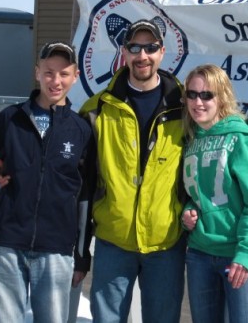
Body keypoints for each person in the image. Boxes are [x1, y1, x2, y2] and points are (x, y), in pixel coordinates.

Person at [79, 19, 187, 323]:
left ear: (162, 52)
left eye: (151, 47)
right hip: (114, 240)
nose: (143, 55)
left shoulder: (184, 108)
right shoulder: (96, 109)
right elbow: (76, 176)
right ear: (124, 52)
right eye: (135, 47)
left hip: (165, 241)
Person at [0, 41, 94, 323]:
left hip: (56, 249)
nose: (55, 81)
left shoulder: (81, 130)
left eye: (63, 74)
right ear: (37, 73)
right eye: (49, 72)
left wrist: (81, 256)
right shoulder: (9, 119)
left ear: (75, 76)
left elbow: (85, 196)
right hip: (6, 244)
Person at [181, 64, 248, 323]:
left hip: (239, 255)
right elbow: (197, 194)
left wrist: (244, 254)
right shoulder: (190, 139)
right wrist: (187, 211)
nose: (198, 102)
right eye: (192, 94)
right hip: (199, 252)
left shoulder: (241, 138)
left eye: (207, 95)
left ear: (222, 97)